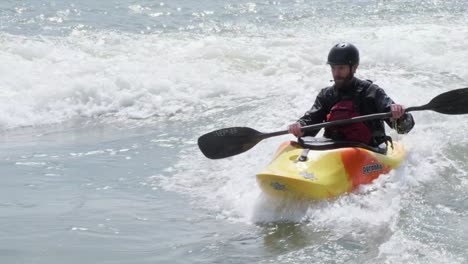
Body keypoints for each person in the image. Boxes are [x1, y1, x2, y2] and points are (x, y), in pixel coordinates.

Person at [288, 43, 415, 147]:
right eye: (333, 68)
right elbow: (311, 121)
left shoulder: (371, 92)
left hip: (369, 152)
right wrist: (301, 126)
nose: (336, 73)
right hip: (334, 150)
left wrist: (400, 115)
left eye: (341, 68)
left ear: (354, 68)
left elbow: (403, 128)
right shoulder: (326, 95)